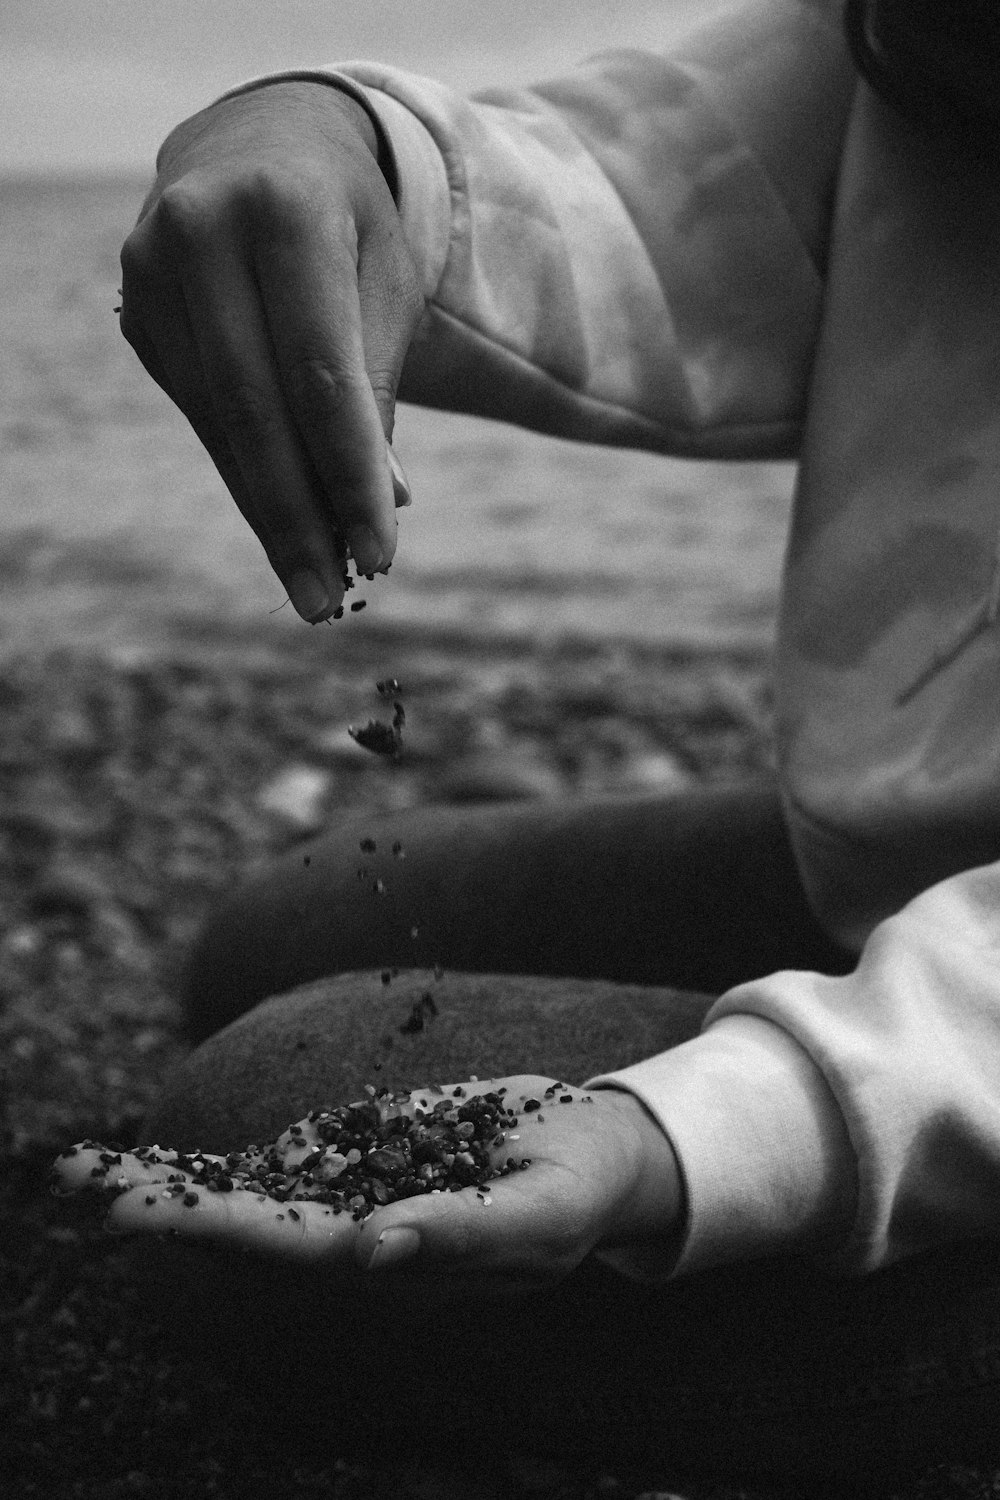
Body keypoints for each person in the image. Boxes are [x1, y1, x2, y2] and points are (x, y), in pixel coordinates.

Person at [52, 0, 1000, 1480]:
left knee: (268, 1125)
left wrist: (703, 1131)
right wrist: (357, 152)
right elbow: (664, 180)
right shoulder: (923, 41)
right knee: (290, 929)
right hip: (927, 852)